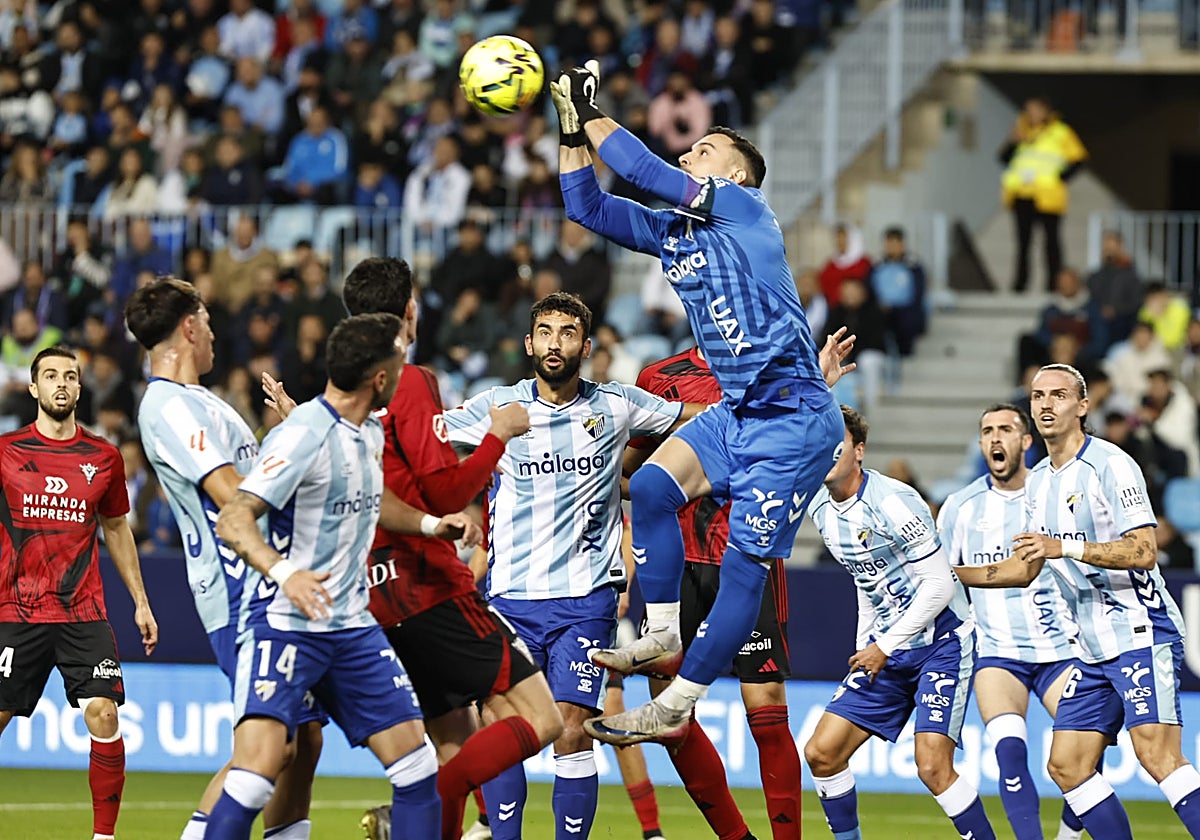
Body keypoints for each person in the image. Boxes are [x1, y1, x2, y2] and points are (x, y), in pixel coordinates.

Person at [548, 62, 843, 743]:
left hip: (795, 419)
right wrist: (572, 130)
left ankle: (678, 699)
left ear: (734, 175)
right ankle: (659, 633)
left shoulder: (746, 210)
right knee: (650, 488)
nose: (690, 154)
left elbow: (649, 172)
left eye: (704, 150)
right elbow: (585, 207)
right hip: (737, 411)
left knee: (745, 566)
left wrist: (593, 109)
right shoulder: (675, 233)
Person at [268, 257, 565, 840]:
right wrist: (495, 438)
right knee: (542, 718)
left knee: (449, 740)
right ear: (409, 310)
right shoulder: (409, 379)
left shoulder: (336, 397)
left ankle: (424, 819)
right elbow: (445, 489)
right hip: (428, 588)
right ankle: (409, 814)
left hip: (372, 599)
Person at [440, 291, 695, 840]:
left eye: (569, 333)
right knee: (506, 726)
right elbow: (419, 437)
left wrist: (800, 398)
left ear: (586, 345)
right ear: (530, 343)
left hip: (586, 602)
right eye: (547, 332)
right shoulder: (498, 406)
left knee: (572, 731)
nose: (557, 343)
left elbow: (704, 417)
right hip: (510, 598)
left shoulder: (618, 405)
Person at [207, 313, 462, 840]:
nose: (402, 369)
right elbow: (234, 518)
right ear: (380, 379)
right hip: (286, 623)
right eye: (397, 363)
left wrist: (432, 524)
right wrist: (286, 573)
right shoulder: (302, 435)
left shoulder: (366, 430)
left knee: (417, 769)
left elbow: (374, 498)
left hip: (350, 627)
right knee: (256, 778)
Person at [952, 364, 1200, 839]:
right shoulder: (1039, 480)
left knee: (1157, 754)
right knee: (1066, 765)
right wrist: (950, 575)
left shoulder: (1111, 464)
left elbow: (1145, 551)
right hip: (1090, 649)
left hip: (1139, 631)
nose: (1046, 404)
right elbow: (1023, 567)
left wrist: (1062, 547)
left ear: (1083, 407)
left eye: (1059, 395)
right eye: (1038, 396)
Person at [627, 338, 853, 840]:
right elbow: (631, 476)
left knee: (766, 708)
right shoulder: (658, 377)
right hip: (679, 563)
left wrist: (811, 391)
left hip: (747, 554)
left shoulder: (780, 375)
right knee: (667, 710)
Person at [127, 276, 324, 840]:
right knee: (270, 744)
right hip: (237, 591)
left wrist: (287, 438)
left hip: (267, 583)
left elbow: (262, 480)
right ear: (189, 327)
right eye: (208, 322)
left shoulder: (203, 403)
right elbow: (234, 491)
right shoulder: (167, 405)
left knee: (304, 739)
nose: (215, 334)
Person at [803, 405, 997, 840]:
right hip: (888, 647)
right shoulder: (820, 507)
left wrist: (883, 645)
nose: (828, 450)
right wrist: (865, 642)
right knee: (822, 752)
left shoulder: (894, 501)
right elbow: (864, 577)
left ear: (860, 451)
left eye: (840, 442)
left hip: (942, 643)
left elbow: (941, 585)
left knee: (931, 765)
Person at [0, 346, 158, 840]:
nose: (61, 384)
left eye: (70, 376)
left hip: (81, 613)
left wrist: (140, 600)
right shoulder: (5, 453)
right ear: (34, 388)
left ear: (79, 386)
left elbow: (116, 528)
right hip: (16, 610)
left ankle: (104, 837)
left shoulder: (103, 457)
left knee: (104, 712)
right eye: (51, 376)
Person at [937, 403, 1084, 840]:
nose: (995, 438)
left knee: (1083, 757)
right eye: (987, 431)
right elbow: (939, 580)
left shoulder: (1055, 493)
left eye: (1006, 429)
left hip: (1065, 650)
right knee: (1010, 755)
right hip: (999, 654)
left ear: (1026, 441)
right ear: (981, 444)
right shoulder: (960, 507)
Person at [999, 97, 1087, 293]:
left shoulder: (1060, 132)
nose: (1032, 114)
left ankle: (1053, 285)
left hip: (1048, 196)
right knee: (1023, 244)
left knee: (1051, 244)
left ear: (1046, 111)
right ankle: (1020, 285)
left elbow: (1079, 159)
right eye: (1028, 110)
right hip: (1022, 194)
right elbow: (1004, 159)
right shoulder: (1020, 130)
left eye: (1036, 110)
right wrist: (1013, 142)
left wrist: (1060, 178)